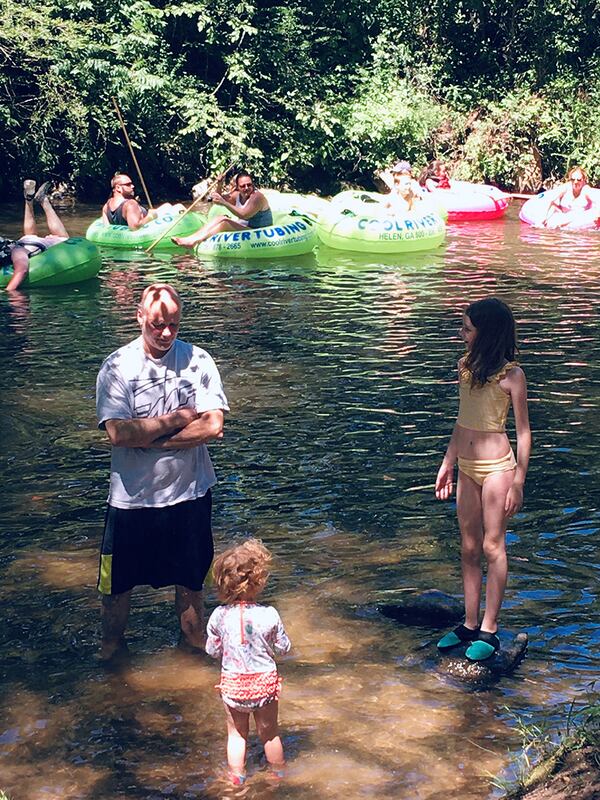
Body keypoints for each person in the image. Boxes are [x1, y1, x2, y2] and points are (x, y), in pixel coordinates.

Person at [96, 283, 229, 660]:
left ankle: (193, 658)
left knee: (191, 586)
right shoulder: (117, 367)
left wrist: (152, 439)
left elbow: (213, 426)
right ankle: (111, 661)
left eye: (173, 323)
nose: (166, 333)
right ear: (139, 317)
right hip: (131, 501)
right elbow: (118, 432)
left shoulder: (198, 360)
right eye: (157, 324)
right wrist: (176, 418)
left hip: (189, 495)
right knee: (115, 591)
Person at [434, 298, 531, 662]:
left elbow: (523, 432)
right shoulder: (465, 368)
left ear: (486, 333)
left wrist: (518, 480)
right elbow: (462, 422)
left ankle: (490, 629)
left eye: (467, 329)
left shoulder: (512, 376)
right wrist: (448, 461)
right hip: (467, 467)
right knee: (469, 547)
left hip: (498, 469)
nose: (462, 335)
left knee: (493, 546)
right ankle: (469, 622)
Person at [206, 539, 291, 785]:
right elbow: (283, 648)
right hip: (264, 683)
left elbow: (212, 650)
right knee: (270, 734)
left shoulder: (218, 616)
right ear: (259, 582)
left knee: (237, 735)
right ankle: (278, 776)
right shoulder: (269, 614)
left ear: (222, 585)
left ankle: (237, 778)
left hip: (234, 685)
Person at [172, 171, 273, 247]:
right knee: (220, 218)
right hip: (247, 227)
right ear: (238, 187)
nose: (247, 188)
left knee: (224, 222)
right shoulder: (237, 195)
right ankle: (190, 238)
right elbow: (217, 198)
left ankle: (195, 241)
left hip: (258, 230)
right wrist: (220, 184)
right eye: (243, 186)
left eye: (249, 184)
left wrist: (224, 203)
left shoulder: (257, 197)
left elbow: (244, 215)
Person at [1, 180, 69, 292]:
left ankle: (43, 201)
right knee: (30, 235)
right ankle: (29, 198)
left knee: (63, 238)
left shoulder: (17, 253)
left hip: (31, 245)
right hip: (27, 242)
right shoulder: (11, 250)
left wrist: (8, 291)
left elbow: (21, 270)